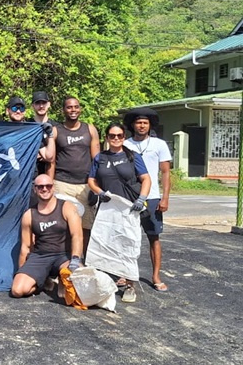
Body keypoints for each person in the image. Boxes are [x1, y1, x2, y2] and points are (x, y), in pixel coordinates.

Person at [88, 123, 152, 303]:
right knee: (106, 243)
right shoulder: (100, 158)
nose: (116, 139)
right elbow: (91, 180)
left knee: (128, 245)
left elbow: (146, 179)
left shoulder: (132, 156)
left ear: (124, 137)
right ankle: (108, 282)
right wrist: (99, 192)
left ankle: (130, 285)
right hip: (108, 207)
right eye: (112, 135)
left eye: (119, 135)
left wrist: (142, 198)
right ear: (107, 138)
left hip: (130, 207)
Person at [10, 174, 84, 298]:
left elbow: (77, 236)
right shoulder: (29, 214)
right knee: (17, 291)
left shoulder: (67, 207)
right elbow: (25, 247)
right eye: (40, 187)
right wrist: (22, 271)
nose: (44, 189)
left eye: (48, 186)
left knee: (76, 290)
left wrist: (75, 261)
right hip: (40, 257)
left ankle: (61, 278)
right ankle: (43, 280)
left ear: (53, 188)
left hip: (64, 257)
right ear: (35, 189)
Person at [123, 108, 171, 292]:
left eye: (145, 123)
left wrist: (165, 198)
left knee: (154, 238)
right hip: (129, 197)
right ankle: (123, 274)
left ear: (150, 125)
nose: (141, 125)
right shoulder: (125, 144)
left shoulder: (159, 144)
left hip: (152, 198)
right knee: (126, 238)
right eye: (138, 122)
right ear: (133, 125)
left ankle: (156, 276)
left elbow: (166, 173)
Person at [48, 97, 100, 251]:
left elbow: (97, 160)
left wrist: (96, 187)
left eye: (76, 107)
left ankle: (81, 260)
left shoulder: (90, 129)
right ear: (63, 110)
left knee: (86, 226)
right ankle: (64, 261)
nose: (73, 110)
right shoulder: (56, 130)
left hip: (85, 185)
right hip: (62, 184)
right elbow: (51, 161)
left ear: (80, 109)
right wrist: (50, 185)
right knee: (63, 225)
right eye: (69, 107)